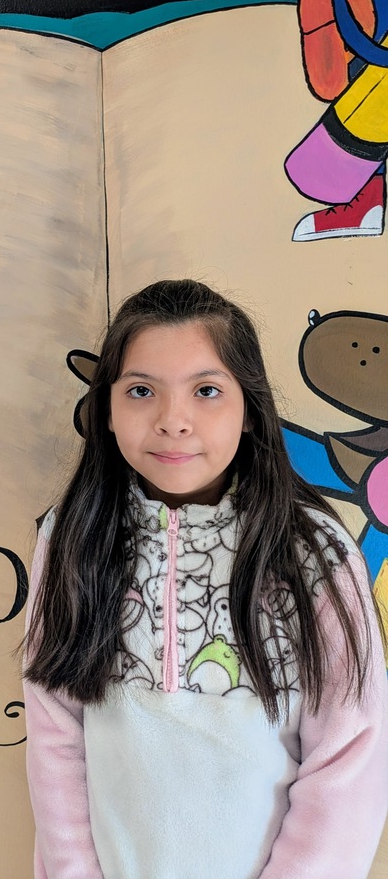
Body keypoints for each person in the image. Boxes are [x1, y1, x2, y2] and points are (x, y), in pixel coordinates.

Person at [22, 279, 388, 879]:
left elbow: (349, 759)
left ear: (249, 410)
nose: (174, 421)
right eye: (141, 391)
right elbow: (56, 734)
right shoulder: (72, 539)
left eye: (207, 391)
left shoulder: (313, 554)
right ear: (107, 411)